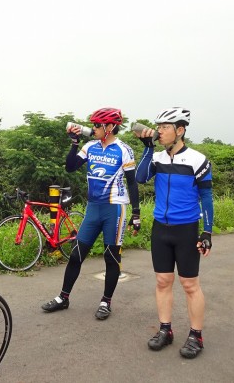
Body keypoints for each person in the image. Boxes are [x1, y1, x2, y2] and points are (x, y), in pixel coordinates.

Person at [41, 107, 141, 320]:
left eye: (98, 125)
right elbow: (70, 167)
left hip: (115, 208)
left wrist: (136, 213)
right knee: (77, 253)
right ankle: (63, 297)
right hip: (93, 207)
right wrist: (74, 142)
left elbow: (132, 183)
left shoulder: (123, 150)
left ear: (110, 127)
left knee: (111, 256)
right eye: (93, 124)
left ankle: (106, 301)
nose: (94, 128)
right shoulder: (90, 146)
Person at [134, 107, 213, 359]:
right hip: (160, 228)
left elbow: (206, 197)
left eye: (164, 127)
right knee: (162, 281)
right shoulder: (156, 157)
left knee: (190, 284)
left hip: (187, 229)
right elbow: (140, 177)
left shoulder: (197, 160)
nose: (159, 131)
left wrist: (207, 232)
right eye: (158, 127)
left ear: (180, 131)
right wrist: (147, 148)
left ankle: (196, 335)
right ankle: (165, 330)